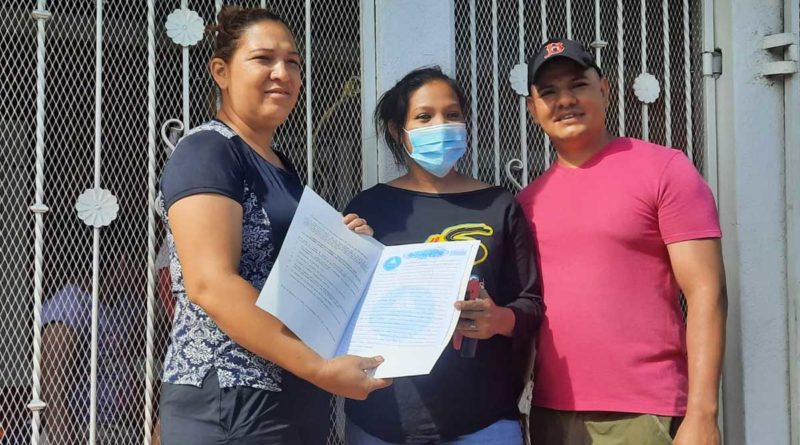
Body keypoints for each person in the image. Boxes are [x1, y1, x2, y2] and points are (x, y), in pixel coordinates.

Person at [157, 6, 390, 444]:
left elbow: (284, 279)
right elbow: (211, 284)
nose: (282, 73)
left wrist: (344, 248)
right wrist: (320, 369)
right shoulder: (208, 152)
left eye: (293, 62)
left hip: (288, 399)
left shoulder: (282, 167)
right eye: (263, 59)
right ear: (221, 72)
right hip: (229, 401)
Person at [517, 38, 727, 445]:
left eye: (577, 85)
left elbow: (707, 292)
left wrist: (702, 414)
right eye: (548, 93)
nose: (564, 101)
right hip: (551, 414)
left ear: (605, 90)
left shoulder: (665, 169)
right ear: (532, 110)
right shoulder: (527, 201)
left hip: (645, 413)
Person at [344, 66, 544, 444]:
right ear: (396, 130)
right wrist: (349, 251)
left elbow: (531, 305)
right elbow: (341, 313)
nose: (442, 125)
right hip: (382, 420)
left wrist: (497, 319)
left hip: (482, 422)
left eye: (452, 115)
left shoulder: (499, 205)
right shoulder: (369, 207)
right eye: (424, 116)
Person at [40, 252, 143, 445]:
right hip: (80, 429)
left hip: (122, 426)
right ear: (123, 261)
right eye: (141, 261)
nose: (146, 270)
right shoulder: (70, 305)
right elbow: (52, 389)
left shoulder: (128, 303)